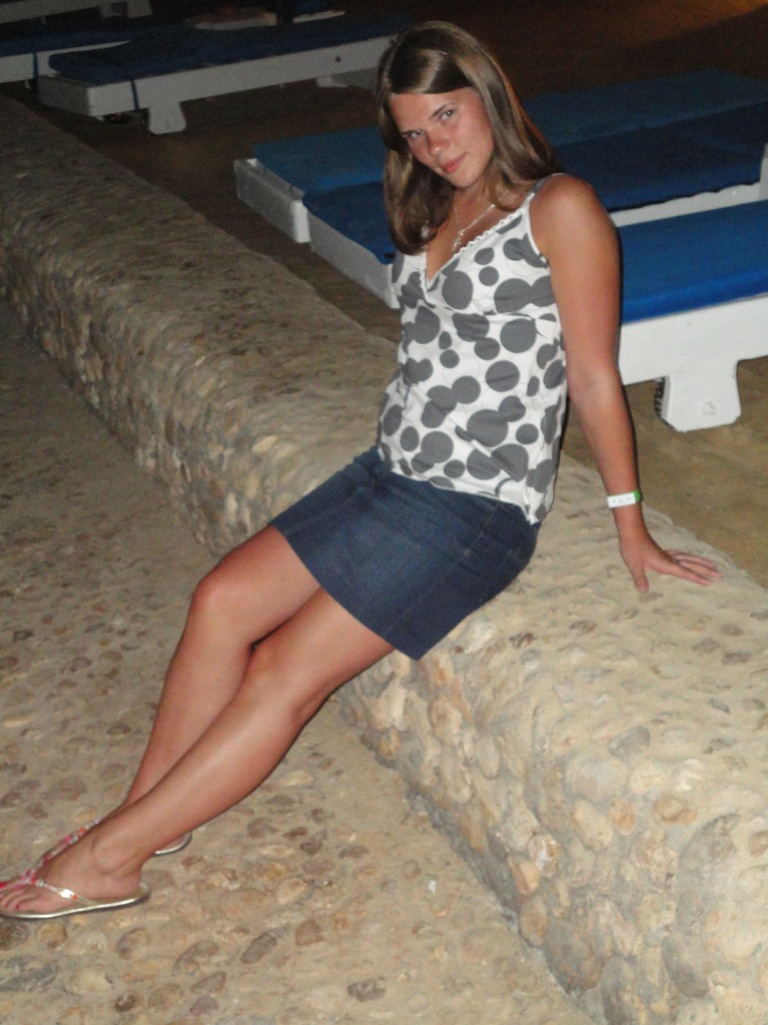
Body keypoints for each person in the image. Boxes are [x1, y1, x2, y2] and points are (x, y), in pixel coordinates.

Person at [0, 21, 720, 921]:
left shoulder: (559, 207)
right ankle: (149, 814)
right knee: (220, 601)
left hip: (471, 506)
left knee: (280, 670)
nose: (436, 146)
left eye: (447, 116)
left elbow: (593, 377)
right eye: (415, 132)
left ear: (489, 96)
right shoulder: (437, 203)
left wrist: (629, 520)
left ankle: (111, 857)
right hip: (389, 472)